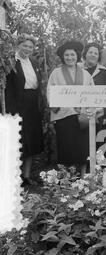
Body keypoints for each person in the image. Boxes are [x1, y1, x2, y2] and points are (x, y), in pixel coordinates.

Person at [47, 40, 95, 177]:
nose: (69, 58)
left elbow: (92, 93)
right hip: (64, 115)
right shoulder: (56, 73)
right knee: (66, 147)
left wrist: (90, 109)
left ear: (77, 56)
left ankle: (83, 173)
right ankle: (67, 175)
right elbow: (50, 91)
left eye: (72, 55)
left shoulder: (85, 74)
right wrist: (58, 103)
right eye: (66, 55)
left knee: (82, 146)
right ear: (63, 57)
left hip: (82, 115)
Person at [5, 33, 44, 187]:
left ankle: (26, 176)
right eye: (25, 45)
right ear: (18, 45)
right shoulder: (10, 62)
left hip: (33, 104)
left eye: (30, 46)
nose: (27, 49)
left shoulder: (34, 62)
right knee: (17, 140)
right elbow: (7, 89)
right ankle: (12, 177)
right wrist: (10, 109)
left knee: (31, 141)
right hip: (16, 105)